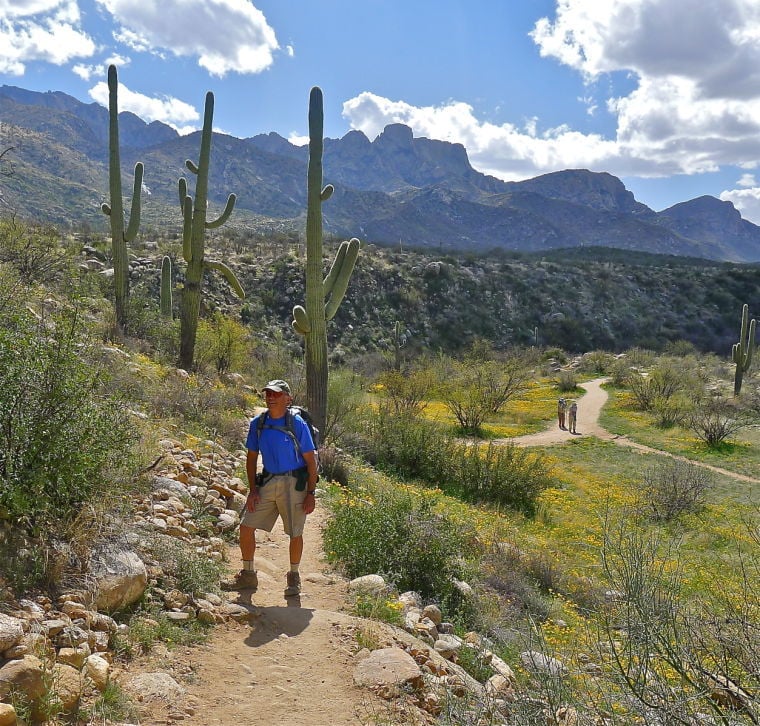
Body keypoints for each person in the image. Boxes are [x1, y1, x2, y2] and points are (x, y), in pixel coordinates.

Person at [222, 379, 319, 596]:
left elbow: (311, 461)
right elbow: (251, 457)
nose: (271, 398)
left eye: (276, 394)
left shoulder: (297, 424)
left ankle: (293, 578)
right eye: (268, 394)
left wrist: (311, 493)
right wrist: (253, 489)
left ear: (288, 399)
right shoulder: (259, 423)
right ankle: (248, 575)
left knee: (295, 532)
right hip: (267, 481)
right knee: (246, 527)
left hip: (294, 484)